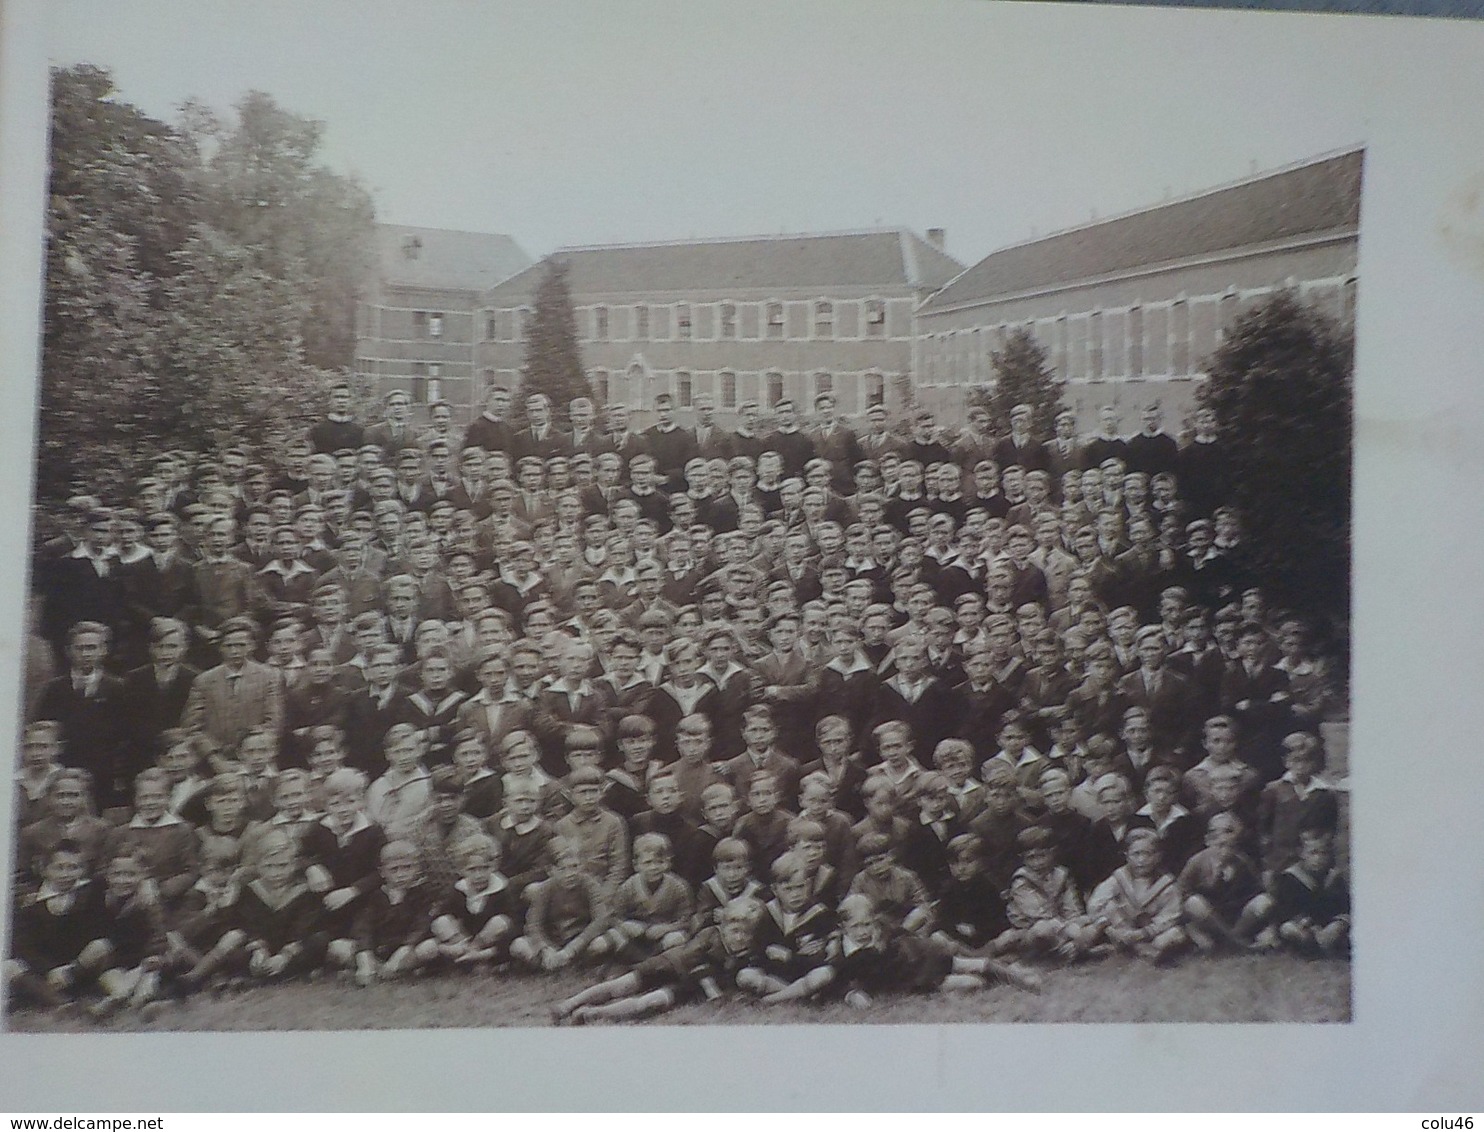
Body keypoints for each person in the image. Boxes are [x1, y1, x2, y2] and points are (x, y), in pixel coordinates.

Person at [554, 896, 766, 1024]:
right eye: (735, 931)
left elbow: (736, 979)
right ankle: (570, 1003)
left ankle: (592, 1014)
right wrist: (710, 985)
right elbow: (690, 957)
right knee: (622, 985)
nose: (740, 938)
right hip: (670, 964)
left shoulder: (748, 953)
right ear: (724, 926)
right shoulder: (710, 934)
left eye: (746, 934)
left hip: (685, 986)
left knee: (649, 1003)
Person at [1086, 826, 1187, 963]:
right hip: (1121, 930)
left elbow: (1170, 915)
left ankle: (1129, 949)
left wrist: (1142, 933)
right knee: (1108, 907)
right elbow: (1095, 903)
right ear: (1127, 856)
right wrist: (1112, 930)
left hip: (1150, 932)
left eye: (1148, 854)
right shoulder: (1119, 878)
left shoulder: (1166, 883)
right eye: (1136, 854)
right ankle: (1138, 949)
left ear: (1158, 856)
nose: (1141, 860)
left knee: (1175, 934)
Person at [510, 836, 611, 971]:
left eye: (574, 866)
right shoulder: (546, 889)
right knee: (518, 946)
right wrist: (545, 948)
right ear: (551, 870)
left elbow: (600, 919)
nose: (570, 874)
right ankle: (550, 964)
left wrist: (573, 948)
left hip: (580, 940)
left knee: (601, 944)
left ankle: (575, 964)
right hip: (554, 940)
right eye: (563, 869)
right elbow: (533, 923)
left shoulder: (590, 884)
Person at [602, 832, 694, 963]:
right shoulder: (628, 886)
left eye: (660, 862)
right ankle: (637, 961)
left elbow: (687, 919)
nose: (653, 867)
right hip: (636, 935)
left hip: (662, 934)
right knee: (611, 937)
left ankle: (656, 962)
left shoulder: (678, 886)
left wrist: (667, 928)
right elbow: (614, 916)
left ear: (668, 862)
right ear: (636, 865)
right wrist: (626, 926)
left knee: (676, 939)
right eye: (647, 862)